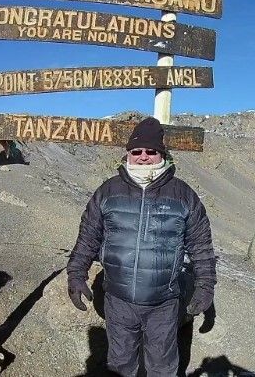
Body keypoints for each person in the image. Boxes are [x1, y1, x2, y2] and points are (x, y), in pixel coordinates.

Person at [67, 117, 217, 377]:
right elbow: (88, 236)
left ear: (162, 154)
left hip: (164, 302)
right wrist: (75, 273)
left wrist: (205, 286)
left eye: (151, 151)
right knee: (120, 365)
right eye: (137, 151)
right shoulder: (108, 191)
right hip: (118, 300)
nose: (144, 157)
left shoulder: (183, 195)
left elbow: (201, 246)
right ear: (128, 153)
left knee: (162, 367)